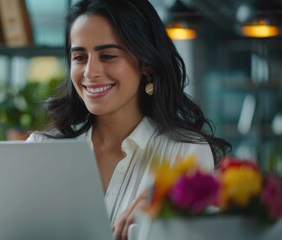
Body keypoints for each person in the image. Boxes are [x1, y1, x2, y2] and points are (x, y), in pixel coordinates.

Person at [26, 0, 231, 239]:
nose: (90, 72)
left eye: (108, 55)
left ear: (147, 64)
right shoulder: (40, 148)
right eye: (80, 57)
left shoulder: (186, 153)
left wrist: (160, 228)